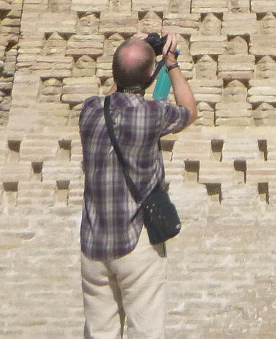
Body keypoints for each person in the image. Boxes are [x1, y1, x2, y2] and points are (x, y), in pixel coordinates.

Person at [79, 32, 196, 339]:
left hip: (94, 245)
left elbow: (113, 95)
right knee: (146, 330)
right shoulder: (153, 114)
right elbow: (189, 110)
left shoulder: (90, 111)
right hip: (136, 244)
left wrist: (132, 46)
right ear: (148, 76)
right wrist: (170, 64)